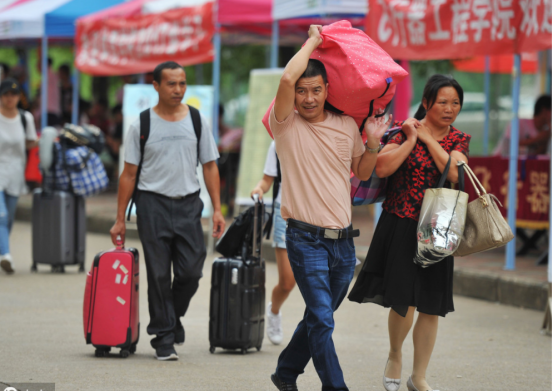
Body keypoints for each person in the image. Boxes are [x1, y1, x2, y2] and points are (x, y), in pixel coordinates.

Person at [269, 25, 392, 391]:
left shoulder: (345, 126)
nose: (308, 98)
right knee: (323, 320)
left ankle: (286, 372)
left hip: (343, 244)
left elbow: (363, 172)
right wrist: (314, 41)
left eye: (316, 90)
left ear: (327, 91)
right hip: (304, 239)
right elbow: (289, 76)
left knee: (317, 318)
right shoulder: (285, 124)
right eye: (302, 92)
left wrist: (371, 143)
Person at [348, 74, 471, 391]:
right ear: (427, 102)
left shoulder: (458, 139)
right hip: (402, 222)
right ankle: (394, 355)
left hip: (438, 228)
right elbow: (382, 168)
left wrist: (430, 140)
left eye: (455, 103)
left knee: (431, 302)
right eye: (442, 102)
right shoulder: (402, 130)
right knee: (405, 299)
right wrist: (413, 140)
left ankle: (419, 377)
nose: (449, 109)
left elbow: (456, 172)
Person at [109, 61, 225, 361]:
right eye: (171, 84)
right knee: (159, 274)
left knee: (192, 271)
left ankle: (170, 318)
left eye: (182, 83)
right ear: (156, 86)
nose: (178, 90)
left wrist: (217, 210)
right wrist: (120, 219)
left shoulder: (198, 120)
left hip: (188, 204)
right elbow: (128, 174)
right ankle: (163, 338)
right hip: (152, 204)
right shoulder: (142, 124)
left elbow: (210, 166)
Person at [251, 141, 294, 345]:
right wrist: (260, 188)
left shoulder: (324, 134)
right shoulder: (279, 141)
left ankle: (317, 333)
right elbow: (267, 179)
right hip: (284, 212)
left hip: (316, 214)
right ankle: (274, 311)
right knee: (287, 282)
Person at [0, 78, 38, 274]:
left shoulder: (25, 118)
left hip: (16, 173)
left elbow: (30, 142)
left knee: (9, 219)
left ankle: (2, 247)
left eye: (13, 95)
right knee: (1, 215)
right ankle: (6, 254)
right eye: (6, 94)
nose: (10, 98)